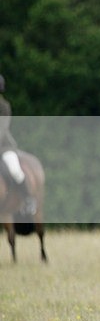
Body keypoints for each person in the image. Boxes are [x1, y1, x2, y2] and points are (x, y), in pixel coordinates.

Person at [0, 74, 36, 216]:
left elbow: (2, 129)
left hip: (4, 147)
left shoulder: (4, 107)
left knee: (15, 170)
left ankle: (28, 199)